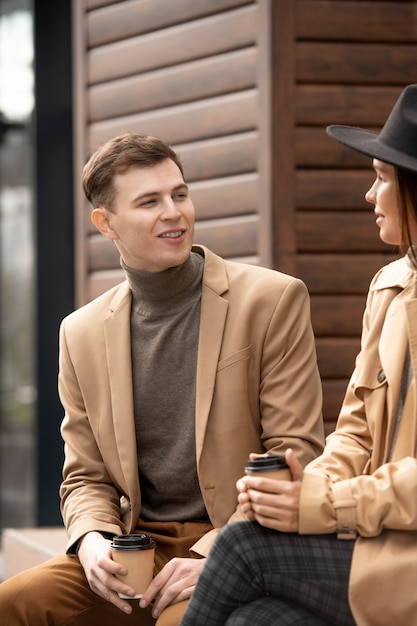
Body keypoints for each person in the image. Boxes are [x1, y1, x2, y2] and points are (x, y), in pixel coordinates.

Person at [0, 132, 325, 626]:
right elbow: (85, 477)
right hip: (136, 547)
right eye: (149, 201)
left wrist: (219, 553)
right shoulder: (80, 332)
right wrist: (90, 541)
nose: (174, 212)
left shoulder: (272, 300)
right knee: (16, 603)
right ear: (105, 224)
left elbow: (293, 453)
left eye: (179, 194)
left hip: (237, 538)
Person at [179, 82, 417, 626]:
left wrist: (325, 507)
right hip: (374, 536)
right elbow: (354, 433)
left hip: (399, 550)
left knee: (240, 545)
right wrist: (301, 491)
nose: (368, 195)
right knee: (252, 621)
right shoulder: (392, 285)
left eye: (382, 178)